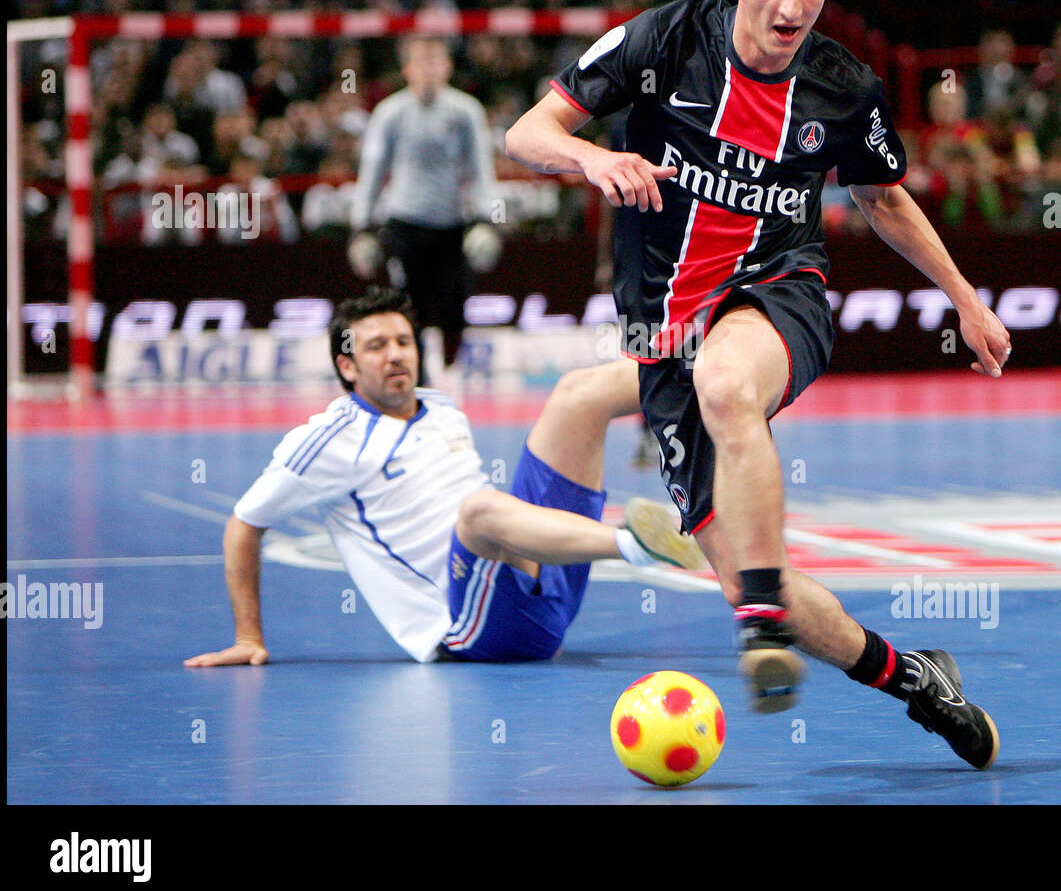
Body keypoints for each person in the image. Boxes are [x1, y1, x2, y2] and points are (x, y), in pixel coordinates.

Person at [505, 0, 1010, 768]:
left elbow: (884, 199)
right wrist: (594, 157)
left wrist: (966, 299)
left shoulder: (842, 86)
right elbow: (527, 132)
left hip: (781, 291)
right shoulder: (665, 41)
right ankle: (910, 675)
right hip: (663, 331)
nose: (790, 8)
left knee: (730, 386)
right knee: (737, 574)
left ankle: (763, 613)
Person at [184, 286, 706, 668]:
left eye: (403, 342)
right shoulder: (328, 439)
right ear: (347, 367)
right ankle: (640, 546)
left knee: (578, 394)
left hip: (539, 574)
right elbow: (244, 523)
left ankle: (718, 372)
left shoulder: (440, 408)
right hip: (475, 628)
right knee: (478, 511)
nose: (395, 355)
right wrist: (249, 636)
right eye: (376, 346)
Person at [350, 37, 496, 376]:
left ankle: (450, 369)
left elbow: (481, 169)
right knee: (406, 309)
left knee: (454, 306)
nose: (428, 70)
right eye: (420, 61)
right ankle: (417, 377)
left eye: (435, 61)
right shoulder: (390, 113)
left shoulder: (466, 111)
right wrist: (361, 227)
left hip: (451, 225)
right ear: (406, 69)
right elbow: (372, 171)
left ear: (448, 67)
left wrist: (486, 220)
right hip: (404, 224)